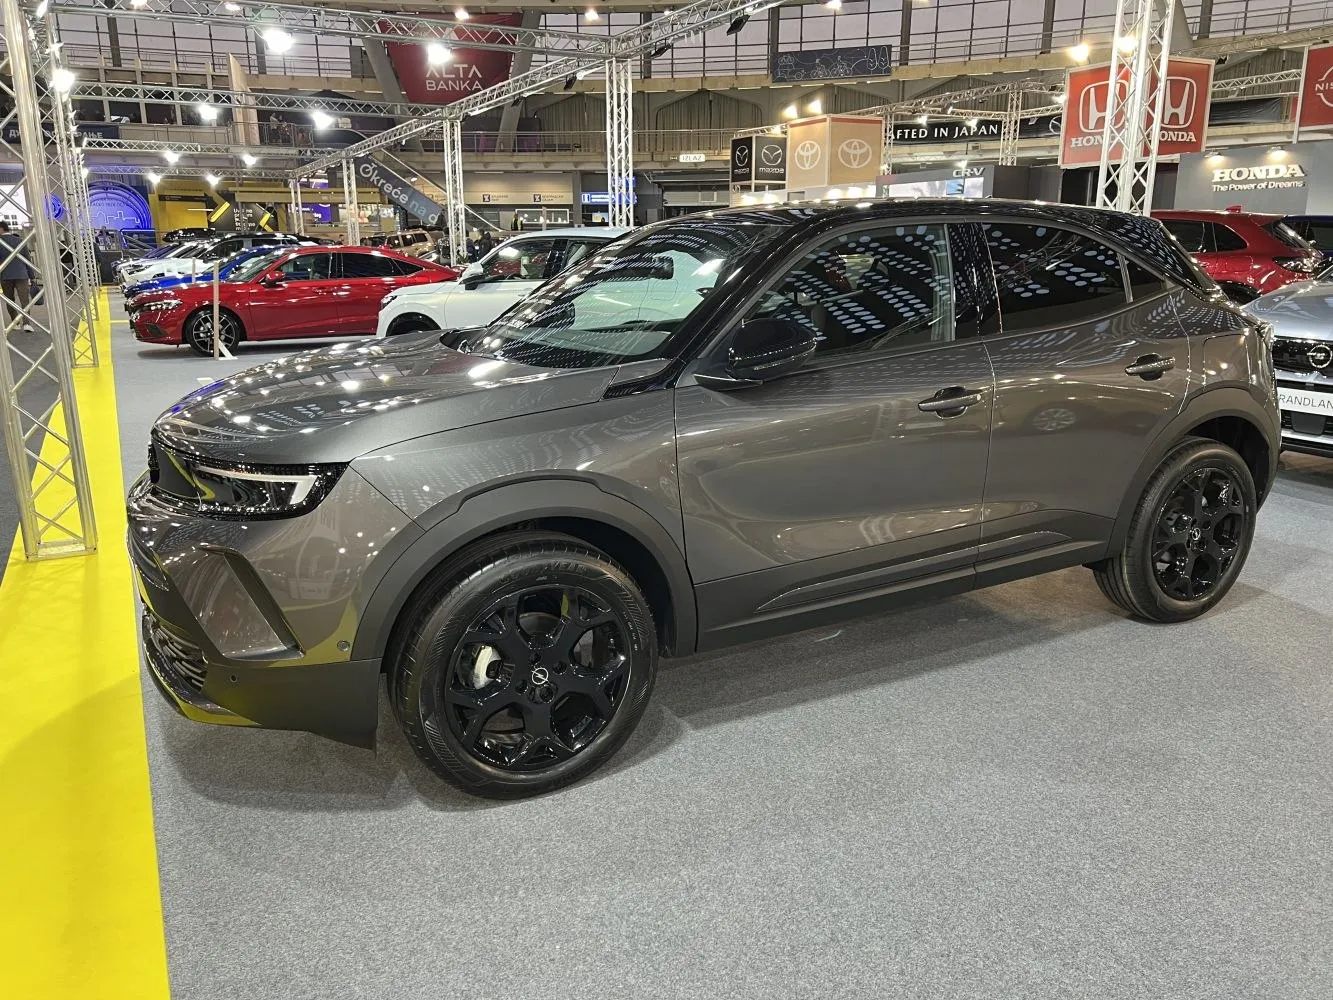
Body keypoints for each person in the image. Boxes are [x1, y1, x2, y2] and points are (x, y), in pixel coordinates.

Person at [0, 221, 34, 332]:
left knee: (10, 300)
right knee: (24, 300)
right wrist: (32, 276)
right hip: (21, 274)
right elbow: (27, 259)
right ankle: (27, 323)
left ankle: (15, 323)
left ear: (1, 229)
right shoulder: (19, 241)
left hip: (5, 276)